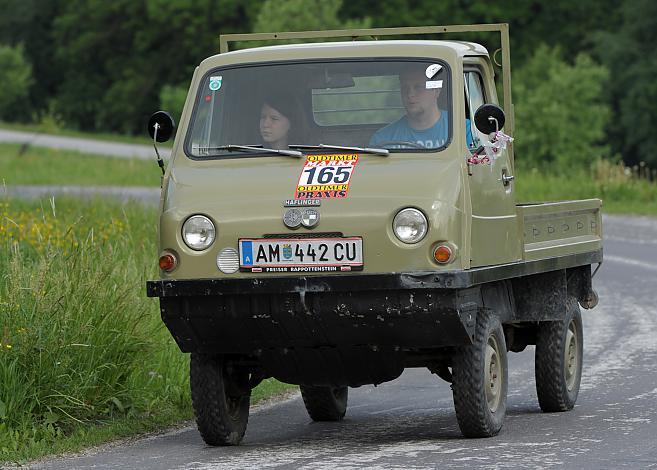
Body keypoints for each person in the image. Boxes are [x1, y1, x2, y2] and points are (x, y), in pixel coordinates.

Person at [369, 66, 473, 149]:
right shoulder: (382, 139)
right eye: (405, 88)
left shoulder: (464, 130)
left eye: (418, 87)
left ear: (436, 91)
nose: (410, 94)